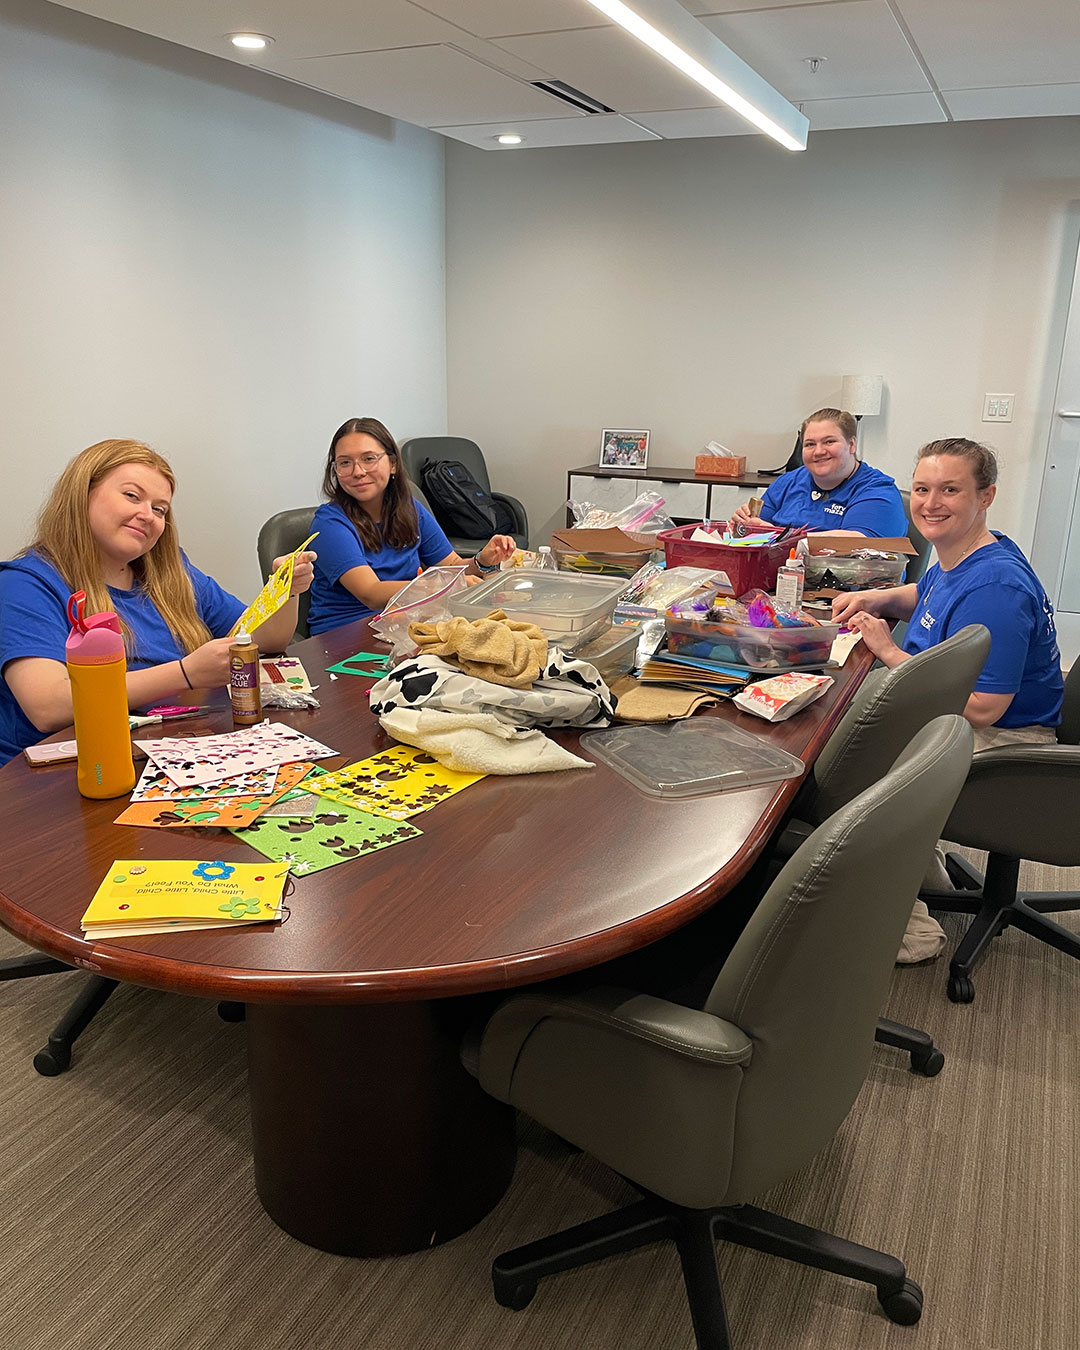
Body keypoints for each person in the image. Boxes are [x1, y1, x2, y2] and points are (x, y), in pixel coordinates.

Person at [833, 437, 1063, 961]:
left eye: (950, 490)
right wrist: (876, 597)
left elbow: (983, 708)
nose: (931, 503)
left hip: (1005, 742)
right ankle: (924, 873)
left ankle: (910, 931)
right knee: (844, 726)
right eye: (922, 489)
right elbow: (930, 592)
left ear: (986, 496)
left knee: (851, 769)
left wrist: (890, 652)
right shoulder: (967, 552)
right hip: (958, 716)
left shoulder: (997, 589)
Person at [0, 439, 314, 767]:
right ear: (83, 494)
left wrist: (286, 590)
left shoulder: (172, 572)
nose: (147, 515)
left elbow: (266, 641)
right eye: (132, 496)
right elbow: (48, 708)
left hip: (163, 750)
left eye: (160, 509)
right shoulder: (24, 584)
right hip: (64, 773)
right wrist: (186, 673)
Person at [307, 417, 516, 636]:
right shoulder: (329, 524)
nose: (357, 471)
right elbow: (371, 593)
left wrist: (482, 561)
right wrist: (444, 586)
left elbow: (451, 564)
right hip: (346, 635)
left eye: (368, 459)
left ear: (393, 464)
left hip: (405, 623)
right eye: (344, 463)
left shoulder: (409, 508)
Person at [731, 407, 907, 538]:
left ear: (852, 445)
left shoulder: (878, 491)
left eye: (829, 442)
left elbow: (854, 547)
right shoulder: (787, 482)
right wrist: (743, 525)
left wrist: (775, 536)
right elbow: (755, 531)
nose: (819, 451)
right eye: (810, 444)